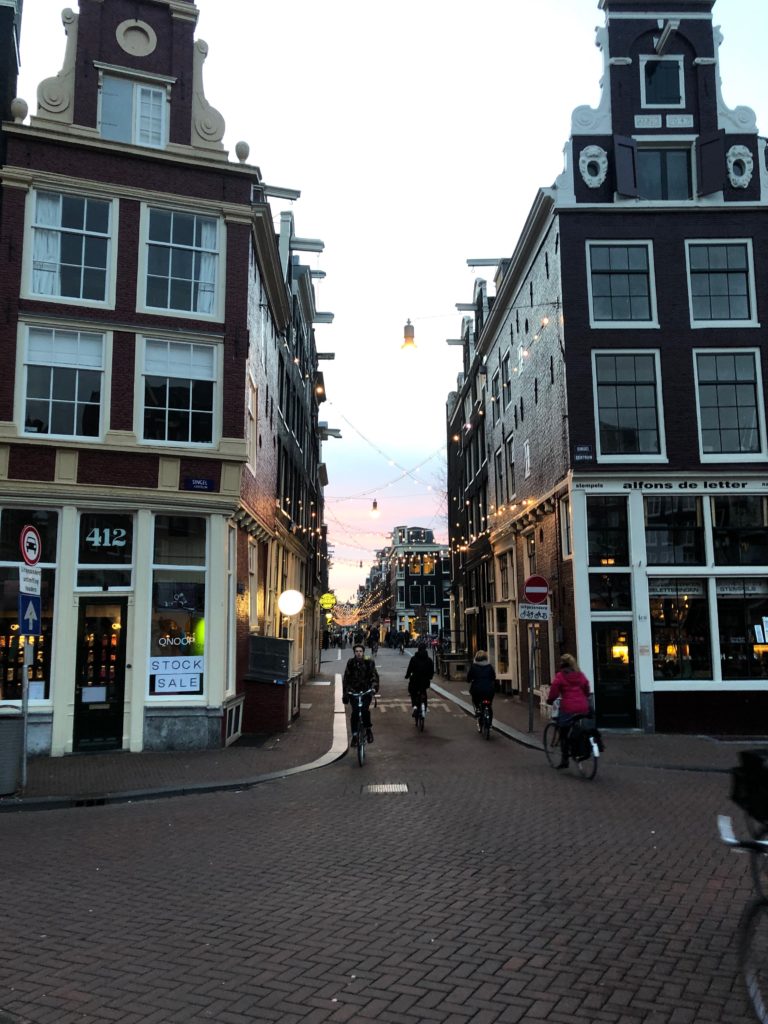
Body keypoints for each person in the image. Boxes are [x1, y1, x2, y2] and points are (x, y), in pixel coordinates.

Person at [546, 652, 591, 769]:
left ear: (562, 664)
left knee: (563, 732)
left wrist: (550, 700)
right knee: (578, 726)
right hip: (583, 706)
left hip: (568, 707)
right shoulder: (579, 674)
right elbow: (586, 686)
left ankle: (564, 759)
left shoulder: (560, 676)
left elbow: (554, 691)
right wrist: (585, 697)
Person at [342, 643, 379, 745]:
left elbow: (374, 676)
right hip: (354, 692)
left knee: (364, 711)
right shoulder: (351, 663)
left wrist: (373, 688)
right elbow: (346, 678)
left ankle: (368, 730)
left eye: (360, 651)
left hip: (366, 691)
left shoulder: (369, 662)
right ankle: (354, 735)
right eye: (357, 651)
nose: (359, 653)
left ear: (363, 652)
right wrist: (345, 693)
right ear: (354, 652)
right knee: (354, 713)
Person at [467, 650, 496, 729]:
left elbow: (469, 678)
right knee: (489, 705)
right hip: (489, 689)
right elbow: (493, 677)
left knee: (475, 699)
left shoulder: (473, 667)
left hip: (477, 689)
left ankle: (478, 710)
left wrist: (470, 680)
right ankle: (489, 723)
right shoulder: (489, 667)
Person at [405, 642, 434, 717]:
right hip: (425, 681)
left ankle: (414, 706)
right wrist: (430, 677)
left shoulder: (414, 659)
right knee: (423, 692)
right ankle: (425, 706)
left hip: (415, 680)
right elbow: (431, 670)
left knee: (412, 691)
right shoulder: (429, 660)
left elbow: (410, 669)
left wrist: (407, 676)